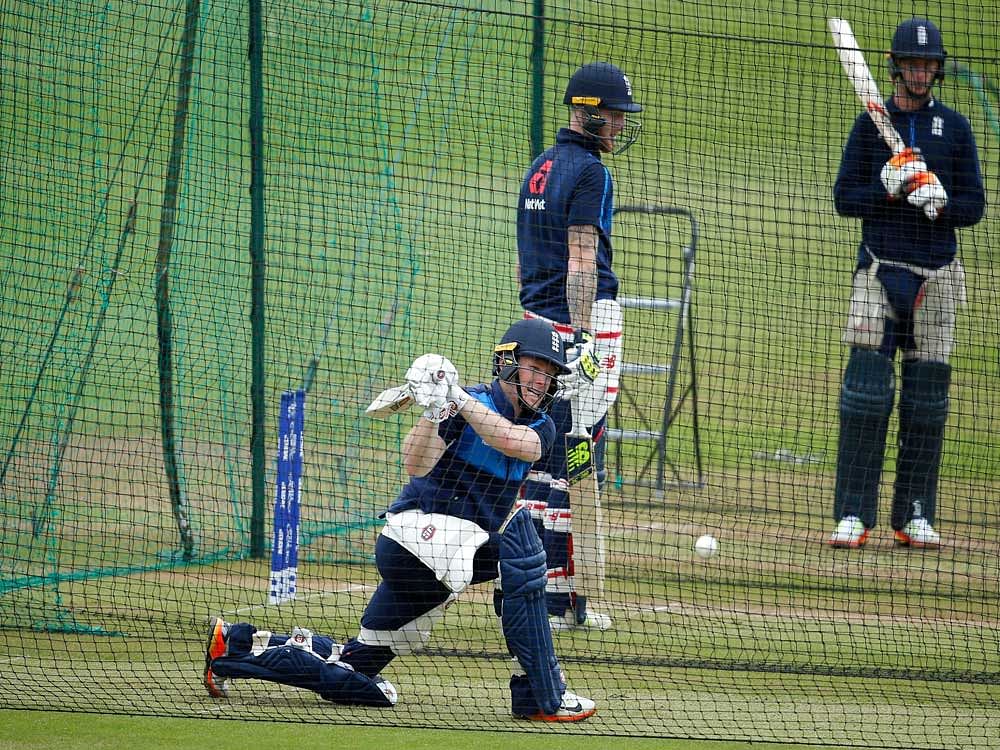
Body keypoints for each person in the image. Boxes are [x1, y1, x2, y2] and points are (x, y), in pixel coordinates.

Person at [203, 319, 597, 721]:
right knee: (522, 552)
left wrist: (455, 397)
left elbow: (516, 443)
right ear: (506, 362)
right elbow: (415, 463)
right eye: (535, 368)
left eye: (550, 374)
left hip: (449, 554)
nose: (541, 381)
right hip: (418, 538)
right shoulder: (461, 406)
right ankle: (542, 694)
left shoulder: (537, 425)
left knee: (356, 669)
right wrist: (432, 410)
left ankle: (234, 644)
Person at [828, 18, 984, 549]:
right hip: (879, 272)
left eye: (928, 64)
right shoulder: (870, 126)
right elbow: (845, 198)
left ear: (937, 70)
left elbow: (975, 207)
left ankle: (915, 513)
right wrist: (890, 188)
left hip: (938, 280)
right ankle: (853, 514)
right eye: (912, 64)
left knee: (927, 403)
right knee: (866, 396)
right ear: (895, 67)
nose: (920, 72)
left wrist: (936, 200)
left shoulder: (955, 130)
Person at [515, 62, 641, 629]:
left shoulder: (539, 166)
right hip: (578, 322)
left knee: (544, 453)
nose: (619, 127)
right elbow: (582, 259)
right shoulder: (591, 172)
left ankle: (543, 590)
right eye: (615, 117)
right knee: (579, 452)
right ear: (591, 115)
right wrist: (585, 335)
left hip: (534, 322)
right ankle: (567, 600)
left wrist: (540, 324)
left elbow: (522, 261)